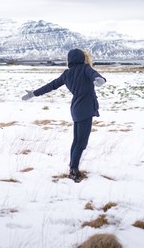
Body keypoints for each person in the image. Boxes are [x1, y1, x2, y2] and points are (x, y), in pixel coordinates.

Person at [21, 48, 106, 182]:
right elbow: (94, 74)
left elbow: (51, 85)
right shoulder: (85, 68)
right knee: (81, 142)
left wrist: (33, 93)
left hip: (76, 109)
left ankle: (73, 166)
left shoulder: (67, 74)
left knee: (76, 140)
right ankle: (74, 170)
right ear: (83, 58)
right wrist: (99, 79)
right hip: (85, 110)